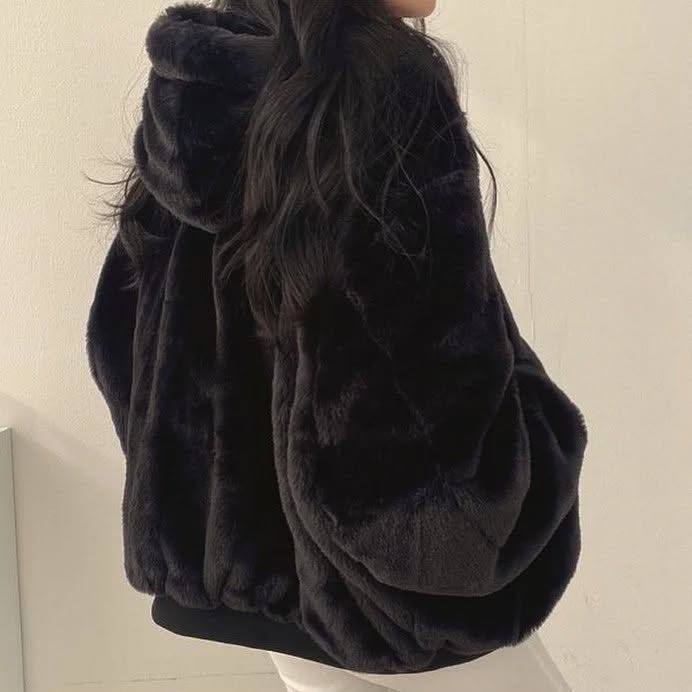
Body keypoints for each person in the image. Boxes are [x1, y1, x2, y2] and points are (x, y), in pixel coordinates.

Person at [85, 0, 588, 689]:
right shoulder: (384, 82)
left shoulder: (194, 80)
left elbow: (119, 336)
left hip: (244, 592)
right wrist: (533, 462)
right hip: (383, 608)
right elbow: (424, 408)